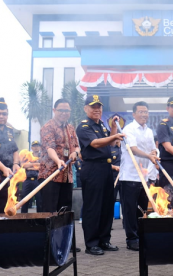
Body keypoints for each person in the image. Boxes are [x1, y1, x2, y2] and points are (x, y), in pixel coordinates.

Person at [76, 94, 125, 256]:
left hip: (106, 169)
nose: (97, 110)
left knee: (106, 206)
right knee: (93, 207)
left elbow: (110, 143)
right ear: (86, 109)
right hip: (92, 169)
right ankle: (91, 244)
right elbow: (95, 143)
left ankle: (104, 240)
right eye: (93, 107)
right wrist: (114, 136)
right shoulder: (84, 126)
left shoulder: (102, 126)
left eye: (99, 107)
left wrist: (113, 128)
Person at [119, 101, 159, 251]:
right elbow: (133, 150)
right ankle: (132, 239)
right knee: (129, 210)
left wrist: (154, 154)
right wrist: (149, 156)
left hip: (145, 176)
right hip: (130, 176)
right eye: (141, 112)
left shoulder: (148, 131)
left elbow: (153, 149)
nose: (144, 115)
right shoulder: (128, 129)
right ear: (134, 114)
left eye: (146, 112)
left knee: (141, 208)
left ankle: (141, 236)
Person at [39, 99, 80, 213]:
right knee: (50, 212)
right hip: (50, 175)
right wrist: (57, 161)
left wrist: (75, 153)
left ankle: (64, 232)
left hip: (67, 177)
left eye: (67, 110)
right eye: (61, 110)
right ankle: (49, 232)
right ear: (54, 110)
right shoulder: (48, 127)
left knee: (65, 213)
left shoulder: (71, 128)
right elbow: (49, 148)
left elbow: (77, 146)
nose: (64, 113)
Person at [20, 140, 42, 213]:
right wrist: (35, 165)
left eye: (37, 146)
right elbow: (24, 165)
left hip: (38, 180)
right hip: (27, 180)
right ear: (32, 147)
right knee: (24, 199)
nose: (36, 148)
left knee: (39, 200)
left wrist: (30, 165)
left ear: (40, 147)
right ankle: (23, 218)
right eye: (34, 146)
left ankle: (39, 219)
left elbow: (42, 166)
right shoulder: (27, 156)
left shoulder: (41, 156)